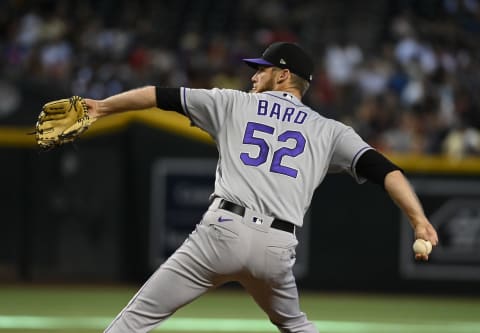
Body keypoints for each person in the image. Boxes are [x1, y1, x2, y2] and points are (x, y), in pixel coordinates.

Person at [85, 42, 439, 333]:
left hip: (222, 233)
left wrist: (103, 107)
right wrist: (418, 220)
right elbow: (386, 170)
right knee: (295, 325)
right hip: (277, 248)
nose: (254, 76)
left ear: (284, 75)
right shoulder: (330, 131)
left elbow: (157, 95)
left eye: (262, 69)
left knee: (135, 321)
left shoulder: (231, 102)